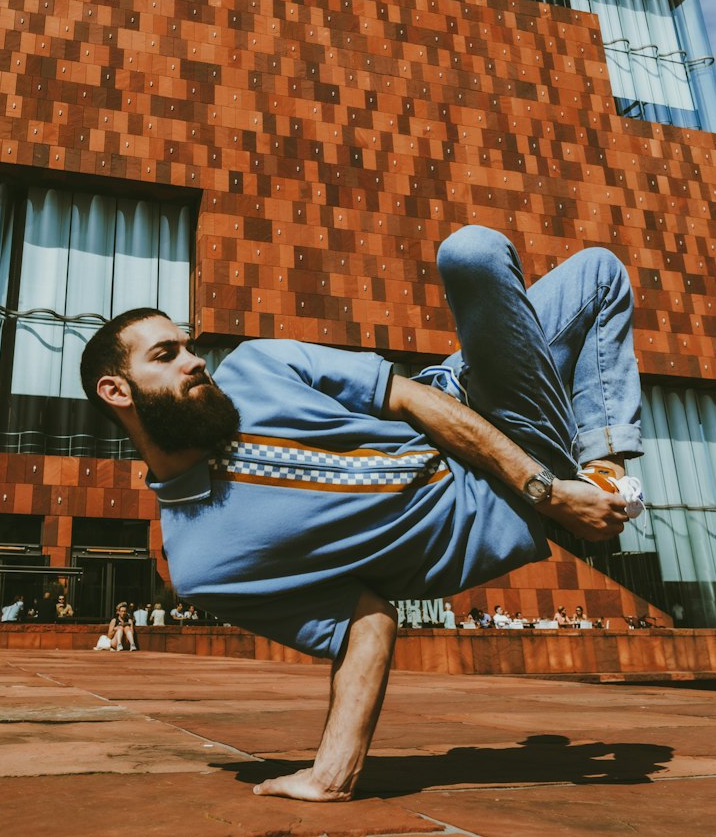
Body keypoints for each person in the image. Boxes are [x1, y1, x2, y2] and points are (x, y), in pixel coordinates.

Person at [81, 224, 644, 803]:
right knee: (577, 272)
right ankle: (592, 479)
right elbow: (365, 622)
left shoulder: (256, 366)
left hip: (473, 410)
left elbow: (406, 396)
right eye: (166, 354)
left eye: (189, 345)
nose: (194, 361)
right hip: (512, 467)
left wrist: (549, 492)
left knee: (480, 254)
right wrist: (333, 774)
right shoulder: (205, 563)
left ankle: (603, 474)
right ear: (117, 392)